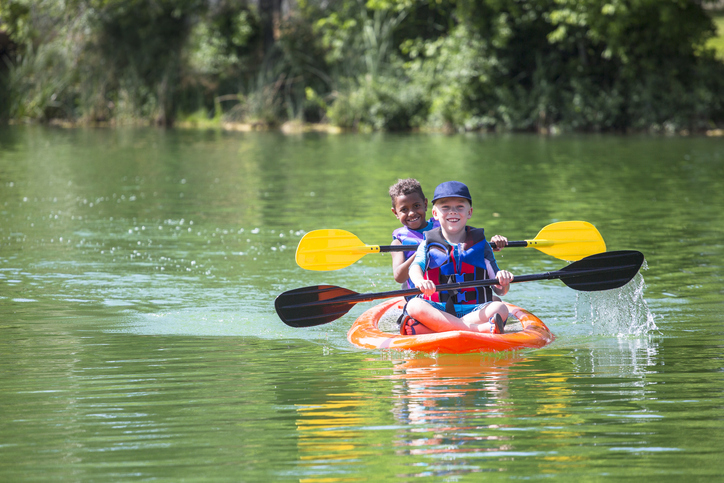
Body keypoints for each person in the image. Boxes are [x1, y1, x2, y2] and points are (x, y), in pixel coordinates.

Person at [401, 181, 513, 336]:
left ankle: (430, 329)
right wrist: (420, 281)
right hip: (437, 307)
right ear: (435, 213)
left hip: (475, 309)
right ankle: (477, 330)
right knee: (414, 305)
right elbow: (415, 268)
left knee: (499, 307)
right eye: (445, 207)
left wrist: (504, 280)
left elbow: (500, 291)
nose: (452, 212)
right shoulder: (427, 243)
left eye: (459, 207)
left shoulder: (482, 245)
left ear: (469, 212)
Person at [388, 178, 438, 289]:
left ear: (425, 204)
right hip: (419, 296)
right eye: (404, 209)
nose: (411, 213)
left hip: (446, 293)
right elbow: (399, 277)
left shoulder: (442, 228)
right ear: (395, 213)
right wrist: (421, 251)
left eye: (416, 206)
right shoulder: (398, 242)